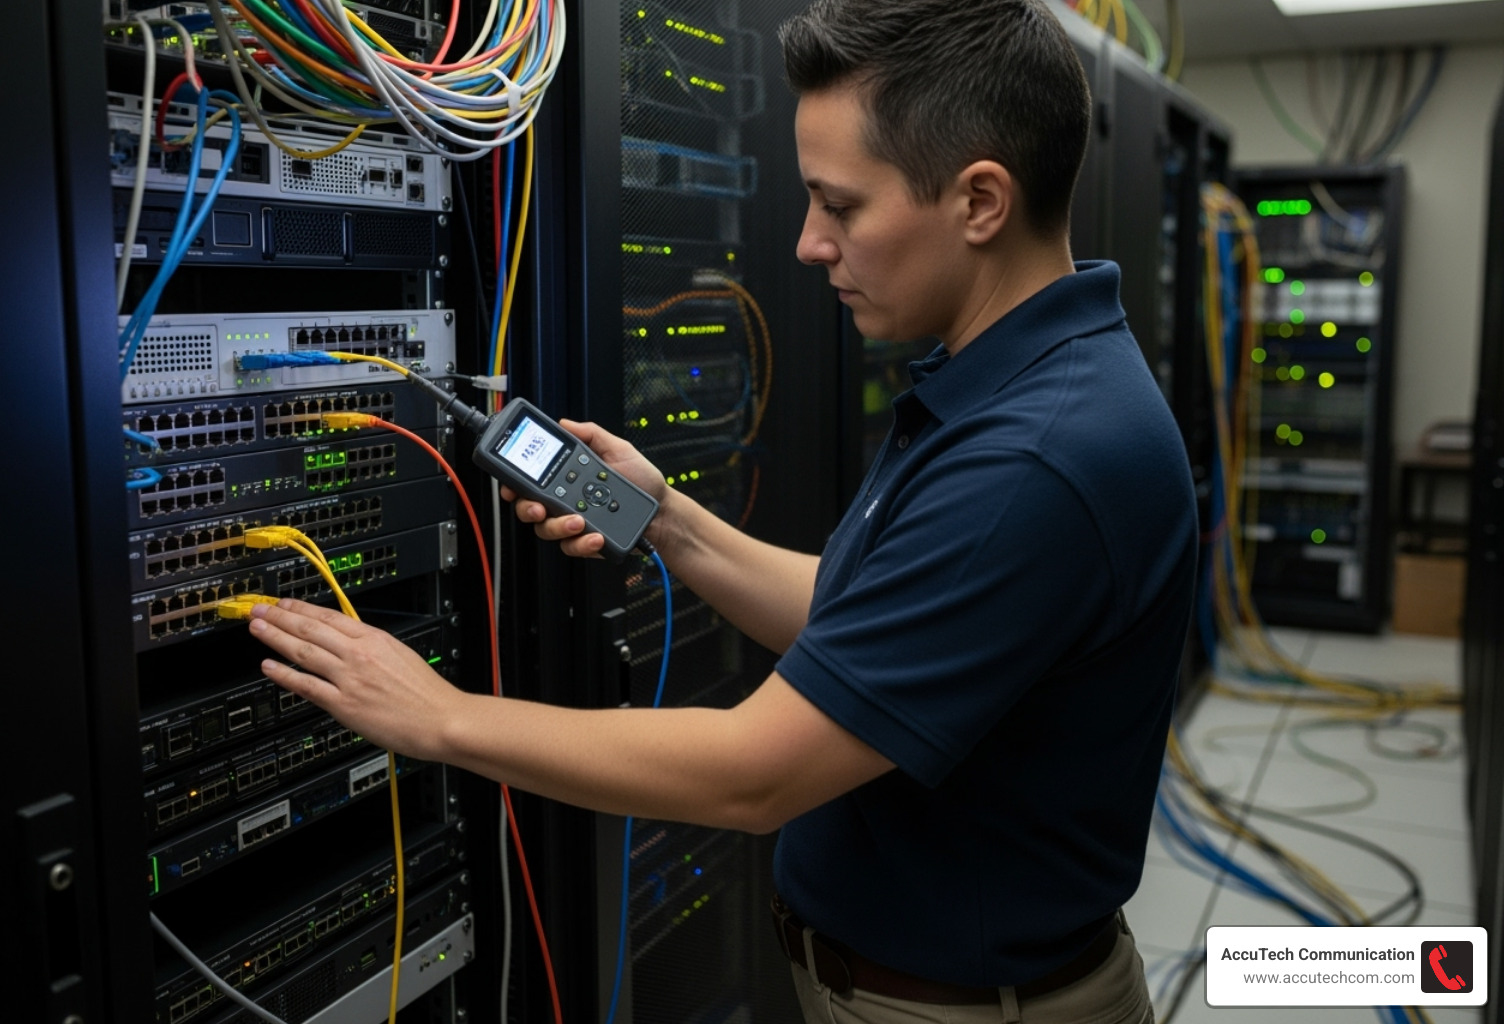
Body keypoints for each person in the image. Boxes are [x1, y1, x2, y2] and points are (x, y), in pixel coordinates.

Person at [246, 1, 1196, 1020]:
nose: (807, 244)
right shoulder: (1033, 377)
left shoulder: (1033, 460)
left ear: (979, 201)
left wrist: (443, 716)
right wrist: (667, 522)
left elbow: (755, 775)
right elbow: (868, 618)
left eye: (841, 206)